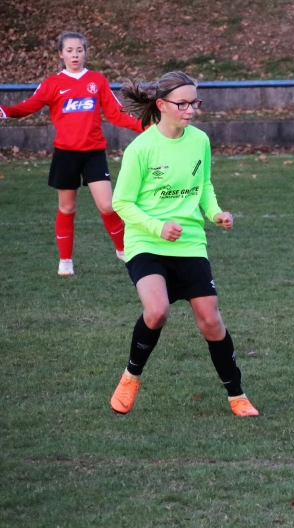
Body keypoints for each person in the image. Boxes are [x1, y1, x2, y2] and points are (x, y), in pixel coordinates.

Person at [108, 71, 258, 417]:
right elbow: (122, 202)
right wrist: (158, 227)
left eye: (194, 103)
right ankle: (131, 376)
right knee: (157, 311)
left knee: (211, 321)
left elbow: (203, 185)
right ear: (161, 105)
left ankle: (237, 396)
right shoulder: (141, 148)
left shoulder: (199, 140)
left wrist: (216, 213)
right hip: (146, 241)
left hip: (189, 242)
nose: (190, 110)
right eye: (183, 104)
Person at [0, 32, 144, 276]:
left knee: (108, 205)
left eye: (79, 50)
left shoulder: (97, 80)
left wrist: (147, 126)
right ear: (61, 54)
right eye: (69, 50)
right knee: (67, 208)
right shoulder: (52, 83)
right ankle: (65, 261)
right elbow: (28, 106)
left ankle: (123, 250)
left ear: (85, 52)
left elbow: (116, 114)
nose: (75, 55)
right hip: (66, 155)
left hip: (93, 153)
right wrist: (5, 111)